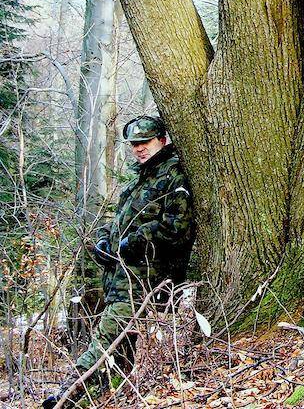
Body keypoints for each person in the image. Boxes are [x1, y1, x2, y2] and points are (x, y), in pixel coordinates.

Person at [43, 115, 195, 408]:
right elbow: (118, 223)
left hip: (145, 280)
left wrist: (134, 242)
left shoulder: (171, 175)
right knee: (118, 351)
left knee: (105, 339)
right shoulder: (139, 180)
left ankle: (64, 396)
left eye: (145, 142)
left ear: (162, 141)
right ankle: (93, 398)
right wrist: (104, 240)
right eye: (135, 144)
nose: (139, 149)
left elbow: (176, 228)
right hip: (119, 280)